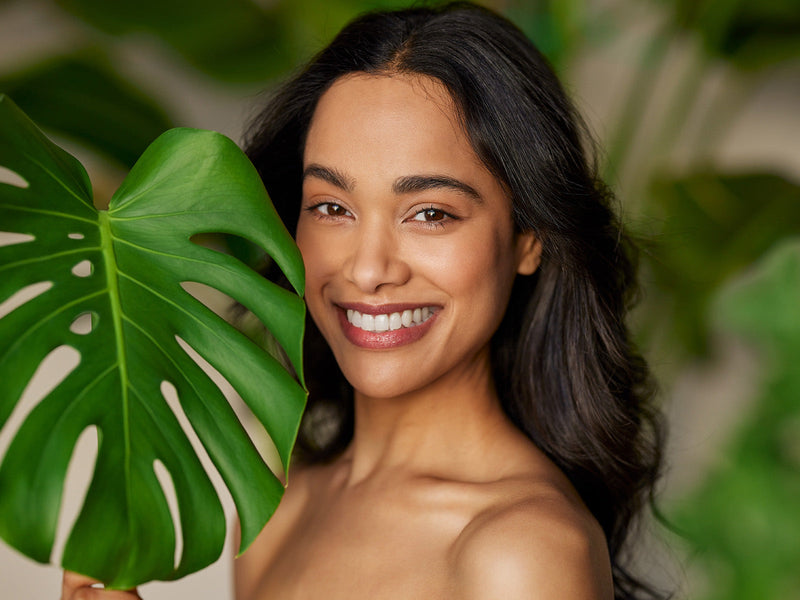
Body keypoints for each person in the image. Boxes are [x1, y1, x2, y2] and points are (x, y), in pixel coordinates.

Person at [61, 2, 665, 599]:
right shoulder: (281, 506)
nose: (369, 269)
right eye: (331, 208)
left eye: (430, 213)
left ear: (528, 239)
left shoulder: (522, 552)